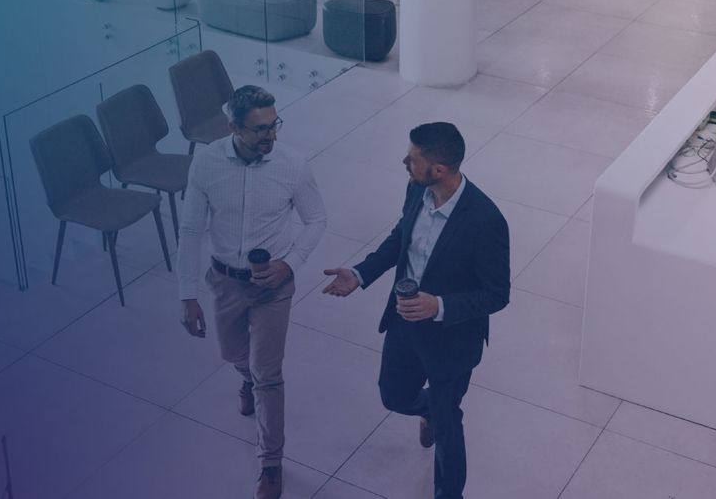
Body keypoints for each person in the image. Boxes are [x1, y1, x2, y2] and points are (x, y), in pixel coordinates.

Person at [320, 123, 509, 499]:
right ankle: (430, 411)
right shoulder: (416, 189)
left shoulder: (486, 221)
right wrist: (360, 274)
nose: (404, 162)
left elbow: (497, 294)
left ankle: (448, 491)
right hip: (404, 324)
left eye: (413, 159)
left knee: (448, 423)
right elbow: (400, 239)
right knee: (393, 396)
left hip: (452, 339)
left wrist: (438, 306)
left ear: (438, 169)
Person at [176, 85, 327, 499]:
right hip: (224, 282)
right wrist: (187, 295)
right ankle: (244, 376)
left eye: (274, 125)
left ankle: (271, 464)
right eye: (260, 129)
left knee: (269, 375)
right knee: (231, 353)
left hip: (273, 288)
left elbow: (316, 220)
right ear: (234, 128)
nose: (270, 136)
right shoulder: (206, 165)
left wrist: (288, 265)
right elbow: (190, 229)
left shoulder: (292, 165)